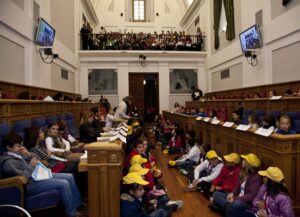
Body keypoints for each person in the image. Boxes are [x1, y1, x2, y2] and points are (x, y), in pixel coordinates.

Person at [0, 133, 83, 217]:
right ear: (8, 147)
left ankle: (78, 204)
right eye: (18, 146)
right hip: (29, 185)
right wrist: (31, 166)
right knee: (63, 183)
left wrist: (29, 154)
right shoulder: (9, 163)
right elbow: (22, 178)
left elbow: (39, 160)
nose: (21, 147)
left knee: (69, 176)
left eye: (22, 145)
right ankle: (72, 213)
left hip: (37, 177)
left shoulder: (18, 154)